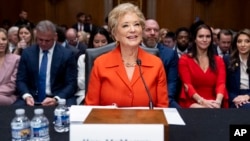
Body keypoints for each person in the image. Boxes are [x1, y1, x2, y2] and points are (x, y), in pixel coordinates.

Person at [85, 3, 168, 107]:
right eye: (125, 25)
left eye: (137, 24)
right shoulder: (100, 64)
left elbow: (163, 108)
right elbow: (91, 108)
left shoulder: (156, 64)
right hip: (110, 123)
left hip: (146, 122)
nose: (133, 29)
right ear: (115, 34)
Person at [15, 20, 77, 106]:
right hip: (32, 97)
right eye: (40, 40)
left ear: (55, 37)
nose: (43, 43)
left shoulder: (67, 54)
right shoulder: (27, 53)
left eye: (47, 41)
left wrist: (56, 99)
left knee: (70, 112)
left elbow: (71, 84)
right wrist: (26, 95)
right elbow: (21, 80)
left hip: (58, 96)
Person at [178, 24, 228, 108]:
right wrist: (202, 101)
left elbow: (221, 84)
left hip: (214, 102)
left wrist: (218, 102)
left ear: (211, 39)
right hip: (193, 101)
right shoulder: (184, 60)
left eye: (208, 36)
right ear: (194, 39)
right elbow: (187, 85)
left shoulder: (219, 60)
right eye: (201, 36)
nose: (204, 40)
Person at [142, 19, 179, 108]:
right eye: (148, 30)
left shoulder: (170, 54)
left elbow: (172, 83)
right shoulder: (132, 51)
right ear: (141, 32)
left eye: (156, 30)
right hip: (139, 99)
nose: (152, 33)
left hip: (164, 99)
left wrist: (164, 101)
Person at [76, 27, 113, 104]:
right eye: (96, 42)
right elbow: (81, 84)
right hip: (85, 93)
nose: (100, 45)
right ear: (91, 42)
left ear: (108, 42)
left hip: (108, 94)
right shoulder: (83, 58)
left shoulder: (114, 58)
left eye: (103, 41)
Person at [224, 28, 250, 108]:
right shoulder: (227, 60)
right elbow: (224, 85)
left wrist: (248, 96)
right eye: (239, 41)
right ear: (235, 44)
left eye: (247, 41)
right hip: (235, 98)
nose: (243, 44)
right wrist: (235, 98)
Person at [0, 28, 20, 105]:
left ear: (7, 41)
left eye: (4, 39)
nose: (1, 42)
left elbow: (12, 86)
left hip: (8, 96)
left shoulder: (16, 59)